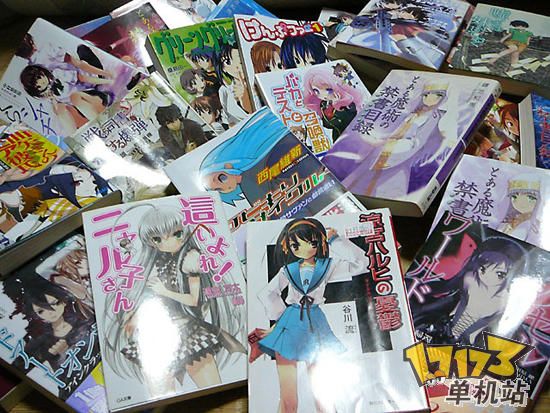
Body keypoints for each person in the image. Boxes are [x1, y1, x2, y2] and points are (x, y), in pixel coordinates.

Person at [102, 205, 245, 393]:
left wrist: (164, 291)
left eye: (176, 234)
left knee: (213, 387)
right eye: (157, 239)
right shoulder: (158, 261)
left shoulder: (190, 257)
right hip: (158, 333)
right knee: (160, 391)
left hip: (189, 331)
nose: (168, 242)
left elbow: (193, 300)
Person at [249, 218, 369, 412]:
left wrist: (336, 241)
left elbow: (361, 263)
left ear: (319, 242)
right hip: (292, 322)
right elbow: (267, 293)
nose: (304, 249)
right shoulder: (288, 270)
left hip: (314, 324)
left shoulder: (327, 267)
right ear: (289, 247)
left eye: (311, 242)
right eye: (296, 245)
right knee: (289, 398)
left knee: (322, 394)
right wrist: (282, 316)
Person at [409, 236, 526, 346]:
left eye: (499, 274)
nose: (485, 278)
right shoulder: (470, 279)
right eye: (482, 268)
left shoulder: (504, 302)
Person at [304, 66, 362, 142]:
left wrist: (337, 105)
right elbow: (327, 125)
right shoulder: (323, 105)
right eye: (316, 91)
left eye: (328, 90)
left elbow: (349, 119)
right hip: (337, 138)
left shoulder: (349, 105)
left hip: (353, 137)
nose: (323, 95)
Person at [497, 175, 542, 245]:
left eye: (530, 197)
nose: (520, 202)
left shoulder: (534, 227)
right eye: (514, 196)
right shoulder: (509, 221)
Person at [213, 43, 252, 124]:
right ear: (223, 68)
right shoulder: (224, 91)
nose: (236, 66)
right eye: (228, 62)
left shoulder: (257, 82)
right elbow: (228, 119)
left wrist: (245, 99)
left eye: (240, 60)